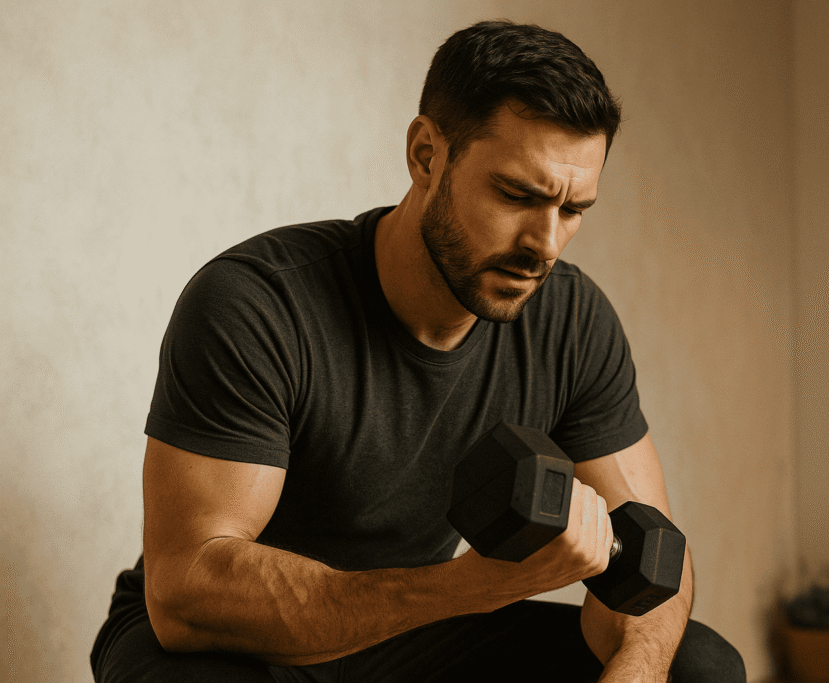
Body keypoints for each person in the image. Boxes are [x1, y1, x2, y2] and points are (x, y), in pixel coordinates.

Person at [91, 19, 746, 683]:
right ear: (426, 154)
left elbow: (650, 553)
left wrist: (637, 664)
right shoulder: (257, 303)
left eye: (574, 209)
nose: (546, 244)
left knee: (697, 665)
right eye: (518, 195)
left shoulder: (571, 322)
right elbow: (189, 592)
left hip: (410, 634)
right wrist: (470, 587)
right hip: (233, 643)